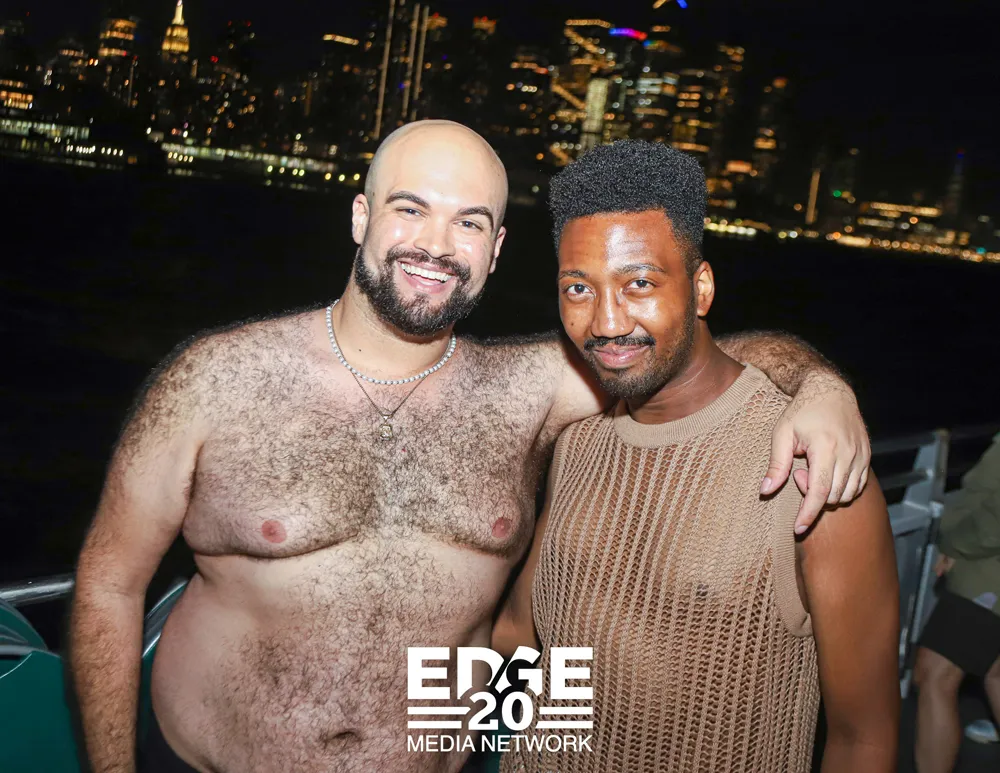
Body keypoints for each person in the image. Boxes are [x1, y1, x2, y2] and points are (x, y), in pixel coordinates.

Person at [70, 121, 871, 773]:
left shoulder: (534, 388)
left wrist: (821, 385)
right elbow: (109, 583)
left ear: (495, 249)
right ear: (361, 216)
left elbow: (679, 346)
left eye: (469, 222)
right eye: (410, 209)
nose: (436, 244)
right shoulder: (214, 379)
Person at [493, 140, 900, 773]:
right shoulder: (576, 440)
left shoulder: (810, 467)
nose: (606, 322)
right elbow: (520, 635)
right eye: (578, 288)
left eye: (639, 284)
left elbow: (863, 739)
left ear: (701, 287)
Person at [914, 432, 1000, 772]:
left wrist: (954, 544)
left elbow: (995, 521)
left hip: (988, 574)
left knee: (935, 672)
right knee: (996, 672)